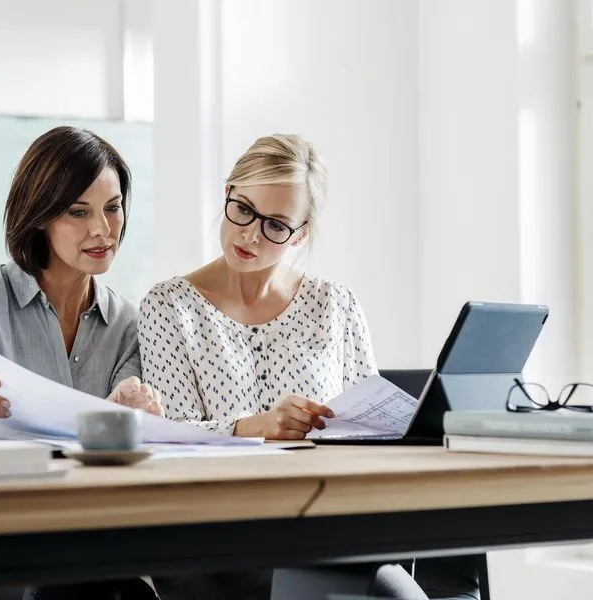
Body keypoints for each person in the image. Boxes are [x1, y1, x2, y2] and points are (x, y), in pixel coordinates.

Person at [137, 134, 427, 599]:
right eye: (244, 210)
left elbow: (372, 429)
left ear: (302, 232)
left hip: (326, 528)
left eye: (276, 225)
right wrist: (257, 427)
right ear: (228, 193)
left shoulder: (335, 304)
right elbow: (170, 440)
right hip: (214, 540)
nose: (251, 234)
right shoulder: (169, 306)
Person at [0, 126, 161, 600]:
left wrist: (130, 411)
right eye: (78, 212)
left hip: (89, 535)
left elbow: (128, 421)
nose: (102, 230)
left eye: (113, 207)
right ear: (39, 215)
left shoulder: (126, 320)